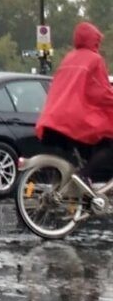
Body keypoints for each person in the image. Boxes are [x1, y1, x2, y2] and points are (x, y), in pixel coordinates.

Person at [35, 22, 113, 184]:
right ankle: (84, 176)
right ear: (94, 40)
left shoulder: (69, 58)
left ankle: (83, 190)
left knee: (88, 153)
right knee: (108, 144)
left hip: (53, 118)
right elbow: (102, 92)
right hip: (74, 119)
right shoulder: (94, 60)